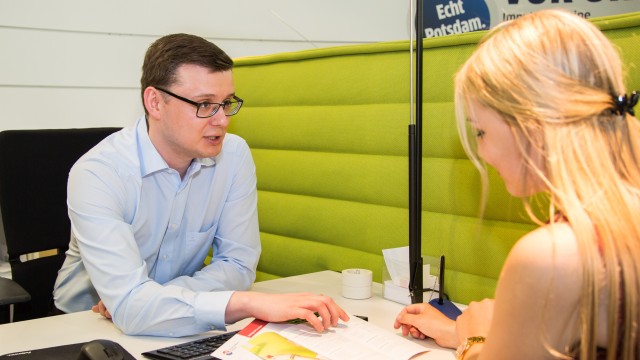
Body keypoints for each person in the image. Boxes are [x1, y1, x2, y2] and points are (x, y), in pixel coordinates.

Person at [53, 33, 348, 337]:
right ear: (155, 102)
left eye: (227, 103)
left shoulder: (233, 156)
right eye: (205, 104)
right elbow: (130, 308)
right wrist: (244, 303)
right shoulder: (99, 173)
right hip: (82, 327)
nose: (222, 120)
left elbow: (238, 264)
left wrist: (152, 300)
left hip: (179, 321)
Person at [394, 9, 639, 359]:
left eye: (481, 131)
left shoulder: (552, 256)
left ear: (530, 126)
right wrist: (461, 330)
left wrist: (474, 340)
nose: (481, 151)